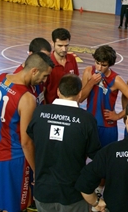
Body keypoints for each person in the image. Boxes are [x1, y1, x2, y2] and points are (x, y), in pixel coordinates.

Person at [0, 52, 54, 212]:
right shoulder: (27, 98)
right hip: (14, 158)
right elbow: (26, 142)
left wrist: (1, 137)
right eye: (44, 76)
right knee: (16, 205)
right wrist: (38, 171)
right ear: (34, 71)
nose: (44, 81)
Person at [26, 74, 101, 212]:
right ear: (79, 94)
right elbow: (96, 155)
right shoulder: (87, 119)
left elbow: (30, 141)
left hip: (43, 191)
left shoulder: (39, 112)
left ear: (58, 92)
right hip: (72, 194)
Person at [80, 45, 128, 147]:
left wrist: (118, 116)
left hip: (108, 127)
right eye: (97, 63)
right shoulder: (88, 71)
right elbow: (80, 98)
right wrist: (91, 82)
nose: (99, 68)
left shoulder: (116, 79)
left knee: (107, 159)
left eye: (104, 65)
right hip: (89, 124)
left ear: (110, 65)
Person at [45, 28, 79, 104]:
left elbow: (75, 83)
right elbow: (43, 89)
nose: (64, 49)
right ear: (52, 43)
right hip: (52, 107)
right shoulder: (46, 63)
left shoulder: (72, 59)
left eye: (66, 45)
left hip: (69, 106)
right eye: (60, 45)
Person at [14, 37, 52, 105]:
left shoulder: (43, 72)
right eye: (42, 57)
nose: (46, 61)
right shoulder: (18, 79)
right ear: (31, 54)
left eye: (48, 58)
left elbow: (42, 96)